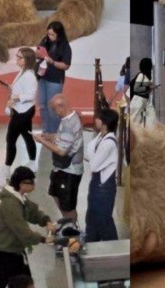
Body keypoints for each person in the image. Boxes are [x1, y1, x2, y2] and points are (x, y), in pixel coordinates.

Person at [0, 167, 56, 288]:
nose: (34, 185)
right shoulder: (11, 204)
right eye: (31, 182)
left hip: (13, 248)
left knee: (21, 281)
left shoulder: (18, 197)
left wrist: (46, 220)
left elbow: (32, 211)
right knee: (0, 282)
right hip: (5, 250)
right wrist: (43, 239)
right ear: (21, 184)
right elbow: (22, 231)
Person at [34, 94, 83, 223]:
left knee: (67, 205)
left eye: (54, 110)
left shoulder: (69, 123)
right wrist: (48, 136)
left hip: (69, 171)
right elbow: (63, 137)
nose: (55, 114)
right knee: (55, 194)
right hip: (61, 168)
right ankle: (67, 223)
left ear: (61, 107)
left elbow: (61, 151)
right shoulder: (67, 119)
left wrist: (41, 141)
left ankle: (72, 228)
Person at [84, 109, 120, 242]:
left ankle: (113, 249)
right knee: (92, 217)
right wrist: (91, 155)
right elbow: (89, 154)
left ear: (104, 122)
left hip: (104, 187)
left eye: (98, 118)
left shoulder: (109, 143)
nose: (96, 120)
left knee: (103, 219)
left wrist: (91, 155)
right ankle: (91, 244)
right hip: (96, 184)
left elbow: (93, 164)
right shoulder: (100, 137)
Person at [4, 47, 39, 179]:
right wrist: (11, 89)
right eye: (17, 56)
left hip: (23, 111)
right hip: (22, 110)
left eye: (20, 57)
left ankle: (7, 167)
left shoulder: (29, 76)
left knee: (11, 138)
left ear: (27, 60)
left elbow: (31, 95)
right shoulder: (23, 73)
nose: (17, 59)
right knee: (27, 135)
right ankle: (32, 162)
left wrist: (15, 97)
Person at [37, 21, 72, 136]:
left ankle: (56, 132)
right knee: (42, 105)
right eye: (48, 34)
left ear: (59, 34)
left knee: (52, 107)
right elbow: (38, 51)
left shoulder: (65, 47)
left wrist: (52, 62)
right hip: (42, 77)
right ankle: (46, 131)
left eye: (52, 35)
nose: (50, 36)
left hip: (55, 80)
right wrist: (39, 53)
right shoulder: (45, 40)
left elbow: (66, 65)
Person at [129, 58, 157, 127]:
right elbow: (136, 89)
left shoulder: (147, 76)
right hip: (138, 100)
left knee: (150, 118)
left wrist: (150, 88)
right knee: (135, 121)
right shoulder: (141, 75)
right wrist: (148, 87)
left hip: (145, 100)